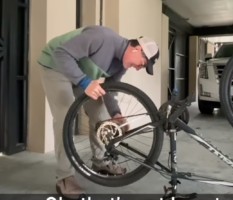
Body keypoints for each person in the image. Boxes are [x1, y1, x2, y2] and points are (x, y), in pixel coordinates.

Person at [37, 25, 160, 199]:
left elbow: (109, 89)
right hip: (55, 65)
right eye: (144, 63)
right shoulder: (101, 37)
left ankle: (100, 162)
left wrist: (116, 114)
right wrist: (85, 83)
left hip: (80, 73)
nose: (140, 68)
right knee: (65, 118)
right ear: (137, 49)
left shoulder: (121, 65)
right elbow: (61, 54)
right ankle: (65, 178)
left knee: (102, 115)